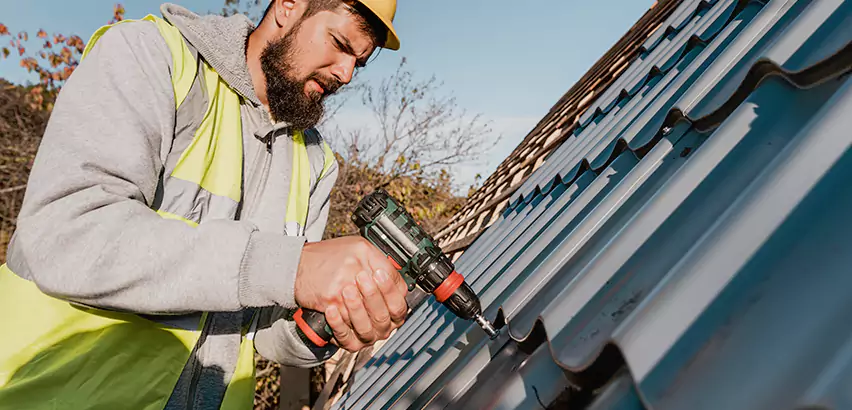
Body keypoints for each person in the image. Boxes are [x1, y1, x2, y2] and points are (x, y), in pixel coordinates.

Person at [0, 1, 407, 409]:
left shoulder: (315, 162)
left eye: (360, 62)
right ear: (288, 6)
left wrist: (327, 321)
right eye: (339, 43)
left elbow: (266, 333)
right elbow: (66, 236)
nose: (346, 73)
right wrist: (291, 266)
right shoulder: (151, 56)